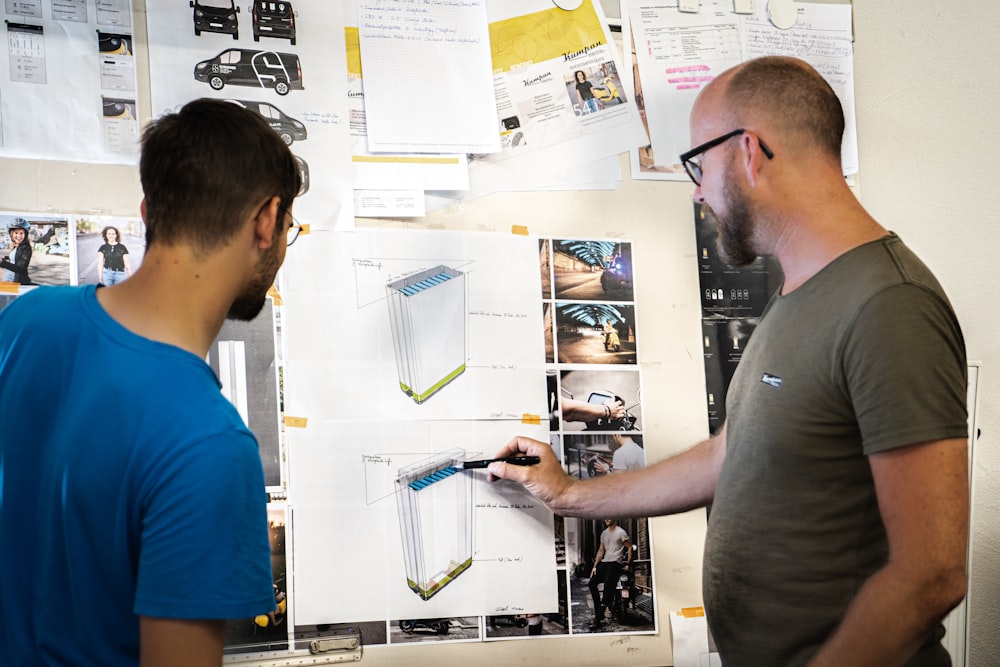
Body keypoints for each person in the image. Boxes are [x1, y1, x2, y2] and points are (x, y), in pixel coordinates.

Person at [489, 56, 968, 666]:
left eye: (698, 164)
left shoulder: (890, 305)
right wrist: (567, 496)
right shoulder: (800, 293)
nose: (698, 191)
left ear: (749, 152)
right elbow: (731, 452)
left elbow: (931, 575)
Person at [0, 97, 302, 666]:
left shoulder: (25, 321)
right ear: (266, 220)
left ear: (146, 211)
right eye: (291, 226)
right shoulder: (211, 444)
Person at [587, 518, 631, 630]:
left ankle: (598, 616)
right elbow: (601, 550)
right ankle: (599, 609)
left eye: (609, 517)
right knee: (592, 583)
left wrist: (628, 564)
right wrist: (595, 566)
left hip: (616, 562)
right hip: (605, 562)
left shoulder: (621, 532)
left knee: (608, 586)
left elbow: (629, 547)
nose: (606, 519)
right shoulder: (604, 533)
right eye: (605, 517)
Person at [1, 217, 33, 285]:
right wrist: (5, 258)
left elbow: (21, 269)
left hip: (16, 283)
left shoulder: (25, 248)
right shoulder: (18, 246)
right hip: (9, 279)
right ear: (12, 234)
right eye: (16, 233)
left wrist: (2, 263)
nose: (18, 236)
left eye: (21, 233)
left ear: (25, 234)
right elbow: (17, 258)